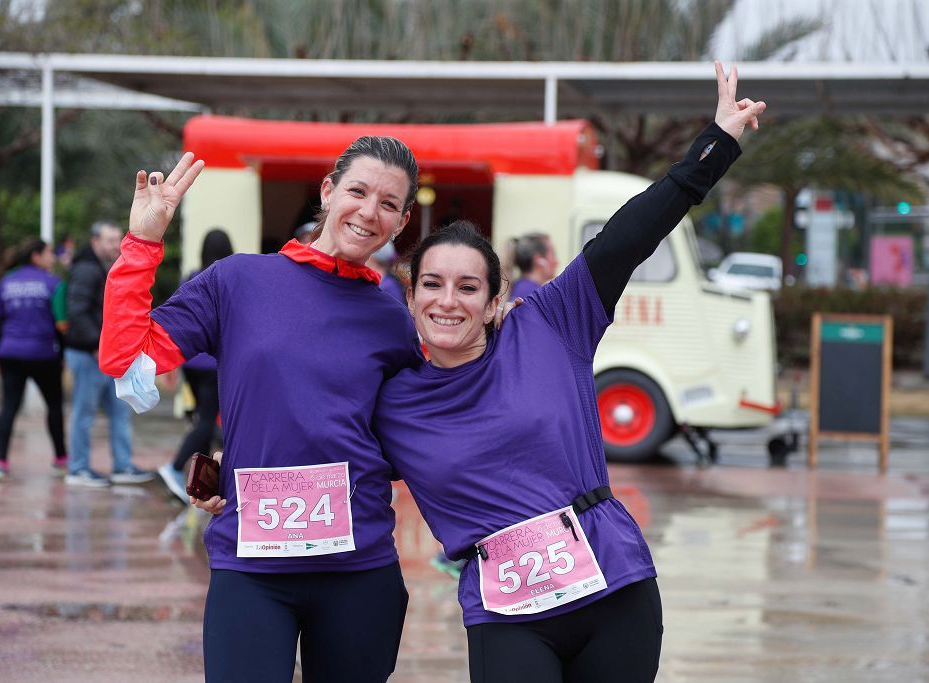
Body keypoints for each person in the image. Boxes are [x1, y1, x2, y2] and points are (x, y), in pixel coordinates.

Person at [373, 63, 764, 682]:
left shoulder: (551, 325)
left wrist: (713, 147)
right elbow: (325, 443)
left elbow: (626, 240)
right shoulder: (394, 401)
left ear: (496, 299)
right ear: (412, 296)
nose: (449, 300)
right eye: (433, 284)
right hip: (507, 614)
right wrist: (230, 484)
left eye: (468, 286)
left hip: (614, 590)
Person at [99, 137, 425, 682]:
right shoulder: (239, 281)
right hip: (252, 565)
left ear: (402, 221)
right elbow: (124, 357)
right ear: (328, 192)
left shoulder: (393, 314)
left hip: (359, 566)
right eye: (358, 191)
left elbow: (410, 435)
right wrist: (143, 242)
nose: (369, 212)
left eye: (389, 204)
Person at [65, 220, 153, 487]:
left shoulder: (104, 267)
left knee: (119, 411)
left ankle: (122, 466)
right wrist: (96, 344)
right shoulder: (86, 269)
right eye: (109, 240)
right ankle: (78, 469)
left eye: (118, 239)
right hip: (88, 354)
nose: (115, 245)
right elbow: (76, 311)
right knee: (85, 413)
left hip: (105, 355)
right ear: (95, 242)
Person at [157, 228, 234, 504]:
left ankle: (200, 482)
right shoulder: (228, 279)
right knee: (207, 419)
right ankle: (175, 467)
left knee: (203, 418)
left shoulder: (193, 277)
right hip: (213, 364)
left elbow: (177, 320)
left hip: (190, 361)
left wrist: (172, 365)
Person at [0, 239, 67, 480]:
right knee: (54, 406)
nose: (52, 258)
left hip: (10, 352)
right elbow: (61, 324)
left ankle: (1, 462)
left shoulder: (7, 281)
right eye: (48, 253)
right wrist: (62, 355)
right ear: (35, 256)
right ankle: (60, 459)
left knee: (9, 407)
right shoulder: (54, 283)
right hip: (43, 354)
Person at [508, 232, 557, 300]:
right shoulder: (530, 293)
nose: (557, 262)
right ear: (539, 260)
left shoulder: (522, 287)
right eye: (553, 255)